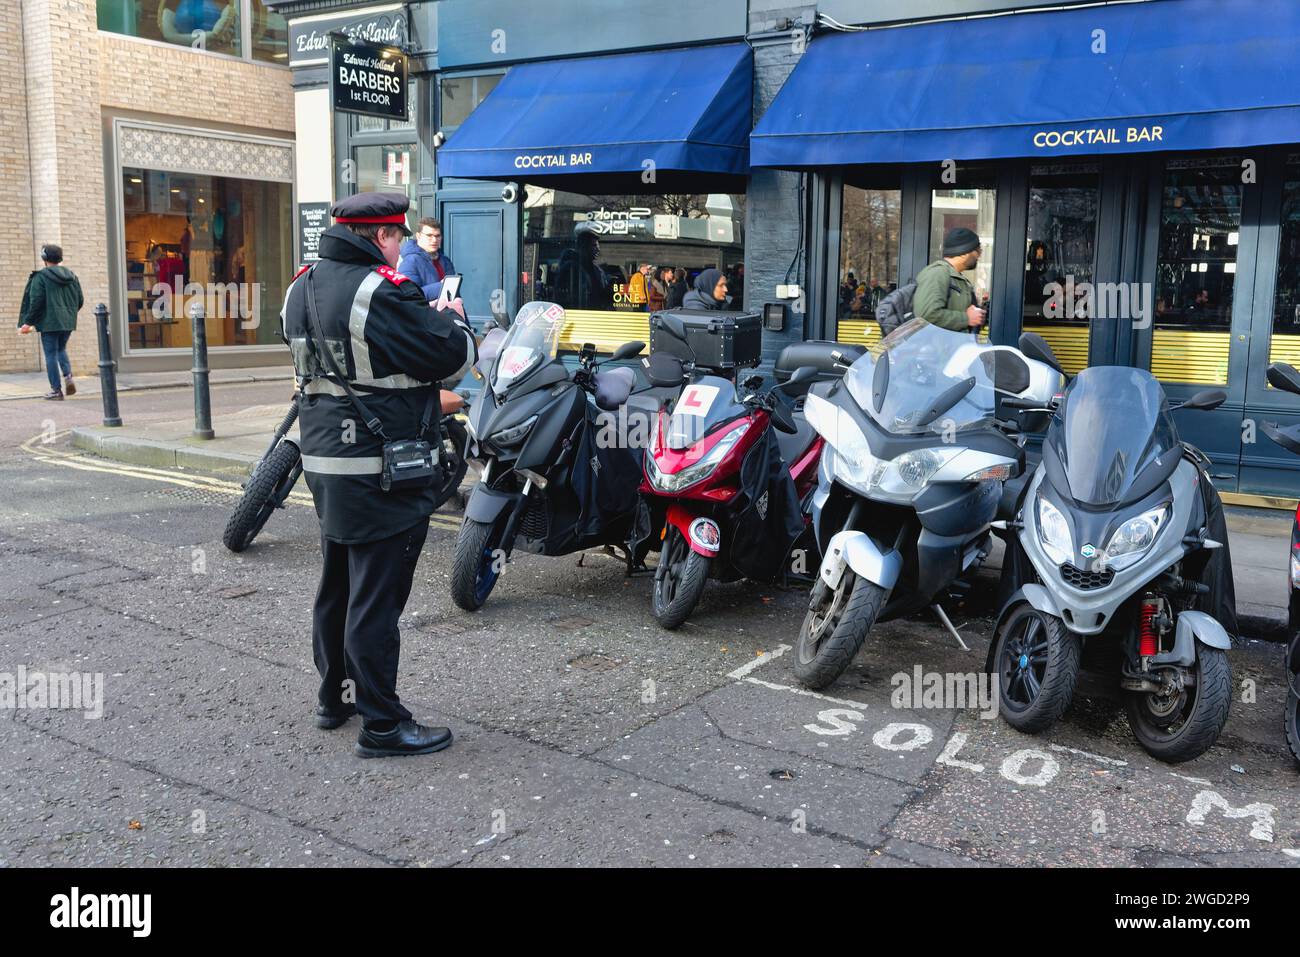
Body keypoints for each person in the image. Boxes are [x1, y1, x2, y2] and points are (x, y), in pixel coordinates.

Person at [279, 192, 476, 759]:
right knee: (376, 599)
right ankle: (383, 726)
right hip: (379, 467)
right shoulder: (378, 291)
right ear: (380, 236)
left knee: (339, 582)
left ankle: (334, 697)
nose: (402, 245)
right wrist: (453, 321)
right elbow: (451, 356)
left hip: (323, 463)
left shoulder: (300, 285)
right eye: (398, 236)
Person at [18, 244, 84, 401]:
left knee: (50, 354)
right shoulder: (72, 277)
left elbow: (36, 302)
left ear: (44, 259)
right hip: (67, 322)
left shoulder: (40, 277)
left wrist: (27, 323)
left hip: (49, 323)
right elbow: (79, 301)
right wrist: (68, 313)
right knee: (61, 349)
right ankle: (68, 377)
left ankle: (56, 390)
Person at [913, 227, 986, 332]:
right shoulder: (937, 274)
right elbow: (926, 315)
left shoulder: (957, 278)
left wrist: (976, 316)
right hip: (939, 348)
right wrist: (966, 318)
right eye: (978, 250)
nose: (979, 256)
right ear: (965, 252)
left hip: (955, 346)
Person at [397, 217, 456, 301]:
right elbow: (411, 296)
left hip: (448, 312)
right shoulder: (410, 261)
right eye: (429, 235)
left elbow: (455, 295)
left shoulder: (445, 261)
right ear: (418, 236)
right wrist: (442, 286)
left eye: (437, 236)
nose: (434, 240)